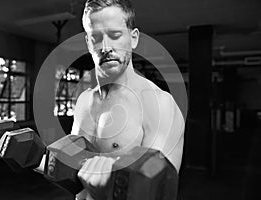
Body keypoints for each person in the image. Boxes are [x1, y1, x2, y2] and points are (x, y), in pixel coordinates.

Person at [71, 0, 185, 199]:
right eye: (97, 37)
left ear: (133, 39)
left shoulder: (159, 105)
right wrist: (36, 159)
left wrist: (105, 191)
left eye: (115, 35)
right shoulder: (83, 102)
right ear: (88, 43)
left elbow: (156, 193)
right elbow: (72, 174)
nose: (106, 47)